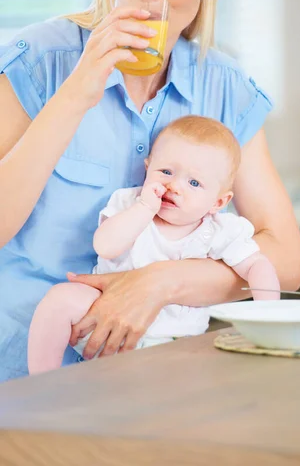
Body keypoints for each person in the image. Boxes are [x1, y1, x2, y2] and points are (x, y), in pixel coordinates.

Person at [0, 0, 300, 382]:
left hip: (162, 383)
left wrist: (162, 282)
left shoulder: (224, 88)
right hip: (23, 380)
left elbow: (286, 258)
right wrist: (76, 93)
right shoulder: (39, 63)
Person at [28, 116, 280, 374]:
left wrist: (268, 313)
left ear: (218, 202)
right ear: (147, 168)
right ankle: (42, 379)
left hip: (175, 339)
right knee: (61, 299)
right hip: (102, 319)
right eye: (166, 172)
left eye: (194, 183)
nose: (174, 186)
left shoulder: (219, 229)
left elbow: (256, 265)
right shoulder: (131, 203)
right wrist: (145, 208)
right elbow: (105, 246)